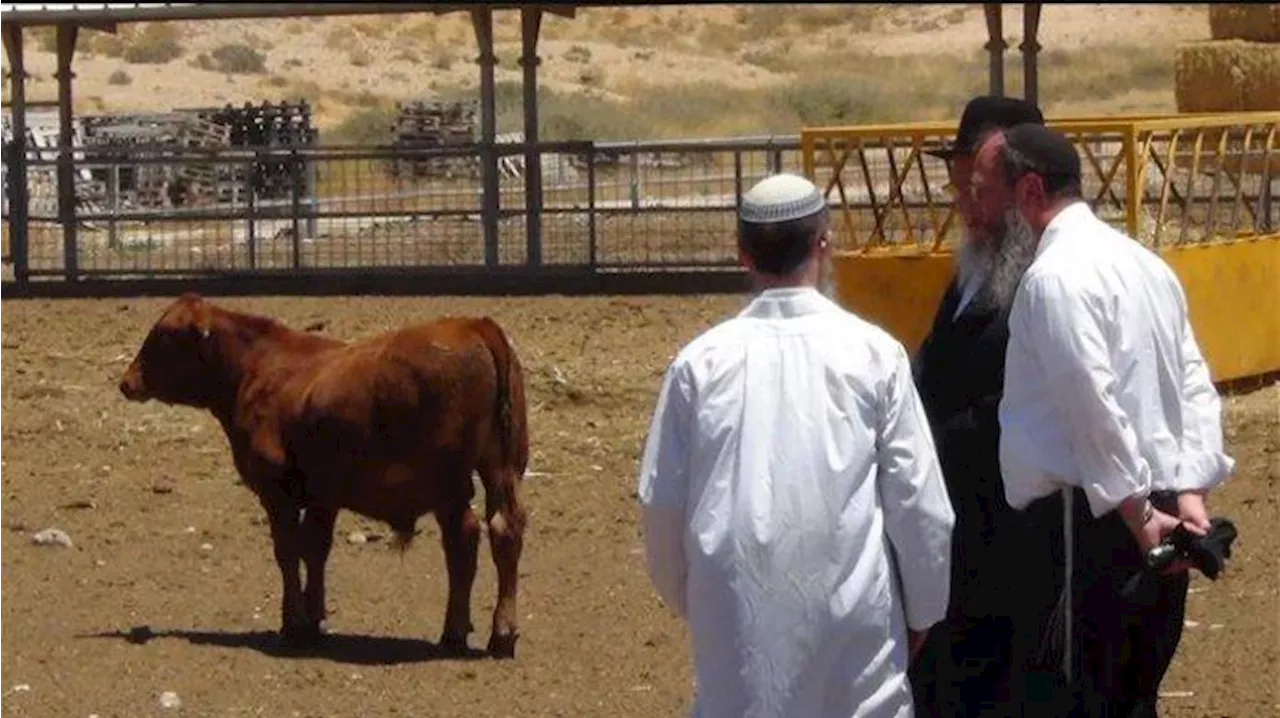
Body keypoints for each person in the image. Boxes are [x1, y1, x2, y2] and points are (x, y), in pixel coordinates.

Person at [636, 172, 957, 718]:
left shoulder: (700, 364)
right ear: (823, 244)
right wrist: (924, 609)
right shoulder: (875, 355)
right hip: (856, 627)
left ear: (743, 255)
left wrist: (705, 599)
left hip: (737, 620)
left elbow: (661, 506)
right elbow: (920, 504)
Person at [966, 124, 1236, 717]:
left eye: (991, 193)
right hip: (1155, 511)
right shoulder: (1144, 264)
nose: (980, 209)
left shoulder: (1055, 278)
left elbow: (1090, 402)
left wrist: (1139, 513)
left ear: (1031, 191)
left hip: (1090, 524)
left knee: (1078, 696)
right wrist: (1191, 491)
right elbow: (1192, 380)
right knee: (1134, 693)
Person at [909, 95, 1048, 718]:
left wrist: (936, 438)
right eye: (959, 181)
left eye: (978, 185)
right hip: (954, 536)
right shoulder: (971, 270)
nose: (964, 199)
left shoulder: (1046, 277)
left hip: (1011, 545)